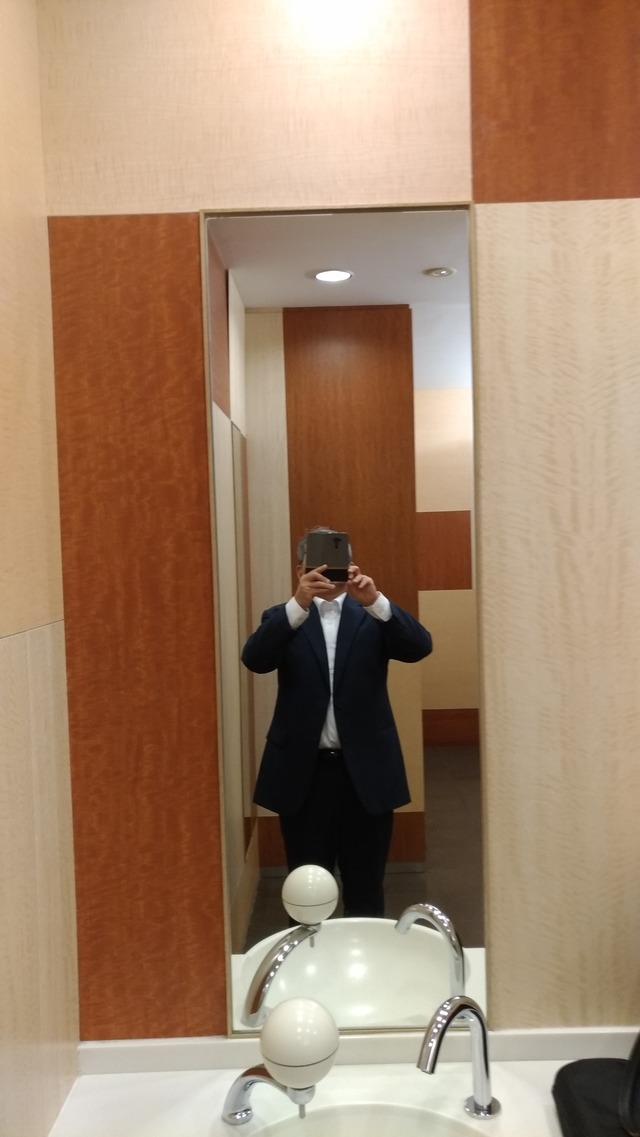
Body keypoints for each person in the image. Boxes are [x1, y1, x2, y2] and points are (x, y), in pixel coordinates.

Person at [241, 526, 433, 918]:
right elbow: (256, 659)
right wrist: (299, 603)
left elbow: (419, 647)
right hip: (304, 776)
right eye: (316, 566)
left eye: (338, 565)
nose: (328, 573)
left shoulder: (373, 615)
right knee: (307, 891)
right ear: (300, 570)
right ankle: (307, 956)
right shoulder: (283, 617)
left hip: (367, 773)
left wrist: (375, 600)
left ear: (351, 566)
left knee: (366, 889)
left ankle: (364, 955)